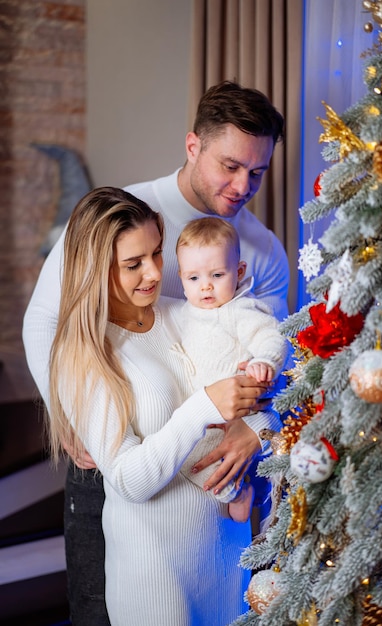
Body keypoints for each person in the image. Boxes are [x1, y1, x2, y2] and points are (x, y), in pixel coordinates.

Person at [23, 80, 289, 625]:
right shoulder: (125, 216)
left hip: (216, 479)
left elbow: (271, 356)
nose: (242, 185)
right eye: (230, 166)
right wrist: (67, 411)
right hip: (119, 449)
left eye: (257, 172)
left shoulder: (262, 252)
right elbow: (47, 319)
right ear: (193, 147)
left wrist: (256, 430)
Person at [174, 217, 288, 524]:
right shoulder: (182, 313)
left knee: (212, 464)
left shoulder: (239, 310)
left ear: (238, 272)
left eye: (217, 274)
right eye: (193, 278)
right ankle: (238, 491)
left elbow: (271, 336)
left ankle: (240, 493)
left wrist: (264, 361)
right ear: (181, 277)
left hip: (237, 409)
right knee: (188, 459)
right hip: (202, 409)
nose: (206, 285)